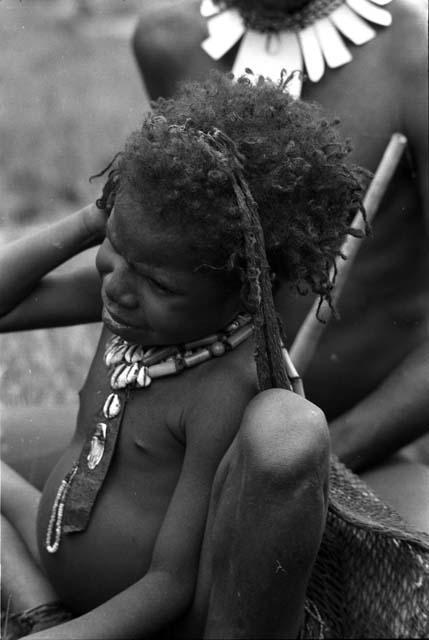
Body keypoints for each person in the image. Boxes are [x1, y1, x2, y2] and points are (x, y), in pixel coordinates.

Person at [2, 72, 427, 640]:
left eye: (158, 282)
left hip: (136, 614)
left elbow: (170, 585)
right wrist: (91, 222)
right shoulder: (133, 303)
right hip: (54, 550)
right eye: (114, 251)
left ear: (246, 289)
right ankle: (44, 613)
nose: (118, 286)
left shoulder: (224, 383)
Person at [132, 0, 429, 474]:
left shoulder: (415, 55)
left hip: (373, 448)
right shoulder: (168, 41)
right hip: (209, 443)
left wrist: (319, 463)